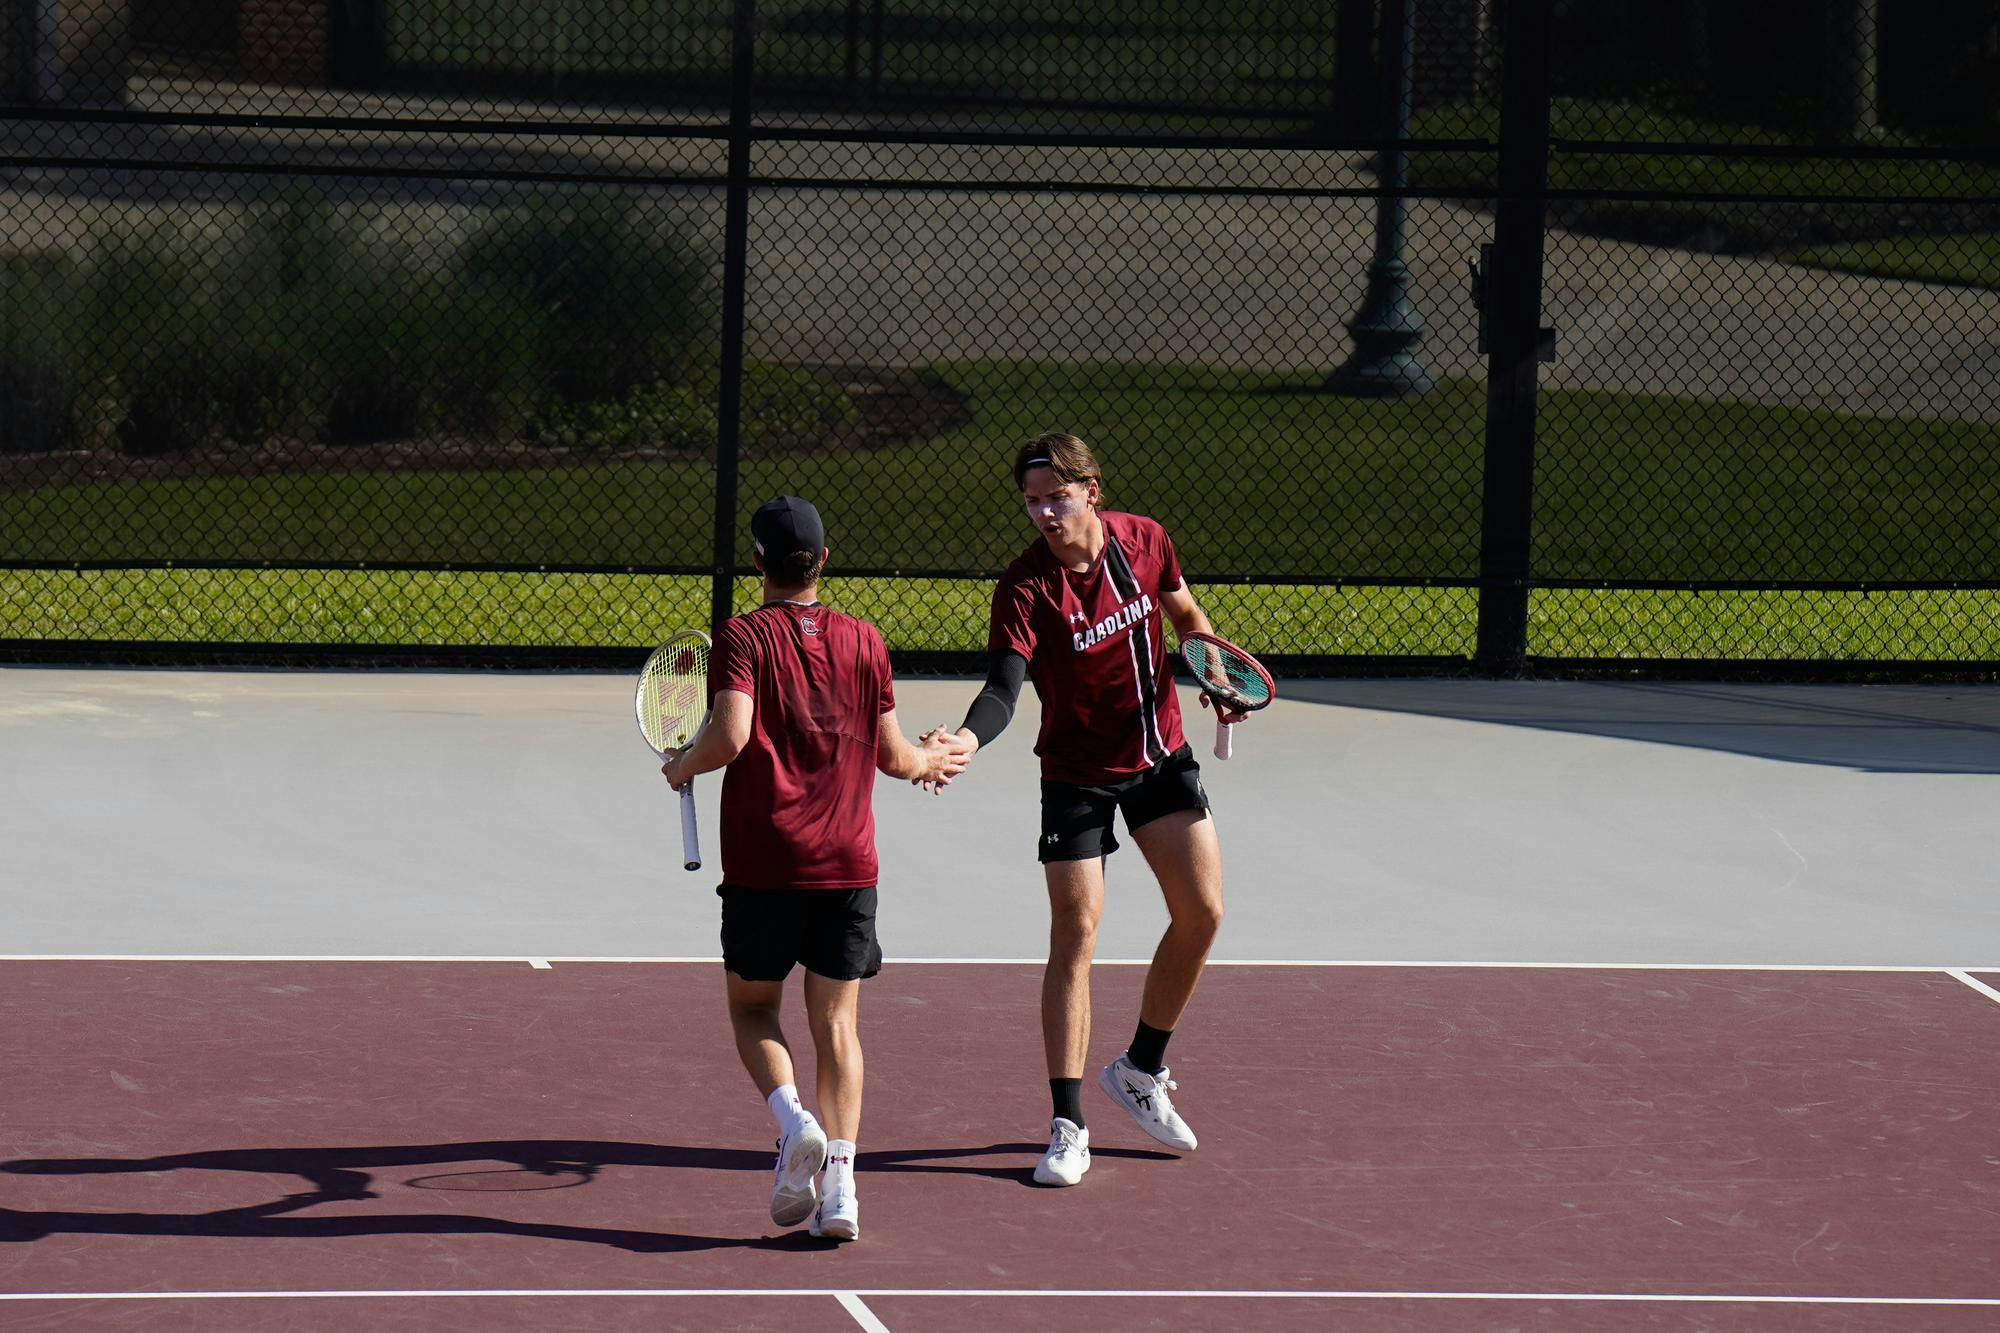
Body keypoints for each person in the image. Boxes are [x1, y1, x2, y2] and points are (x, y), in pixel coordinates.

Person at [922, 433, 1244, 1187]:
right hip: (1076, 776)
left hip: (1161, 755)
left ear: (1090, 490)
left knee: (1203, 912)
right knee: (1077, 929)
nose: (1042, 512)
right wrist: (967, 737)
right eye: (1032, 500)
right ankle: (1068, 1124)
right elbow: (1004, 687)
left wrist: (1213, 672)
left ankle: (1140, 1069)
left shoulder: (1144, 540)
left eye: (1055, 497)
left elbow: (1188, 616)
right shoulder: (1027, 587)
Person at [661, 495, 965, 1240]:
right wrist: (936, 757)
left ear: (757, 561)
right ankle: (843, 1191)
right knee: (837, 1026)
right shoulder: (866, 640)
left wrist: (681, 765)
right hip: (847, 869)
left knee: (754, 1009)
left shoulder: (743, 636)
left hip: (766, 867)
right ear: (824, 560)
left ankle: (793, 1119)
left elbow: (730, 734)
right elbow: (897, 757)